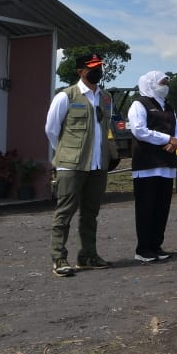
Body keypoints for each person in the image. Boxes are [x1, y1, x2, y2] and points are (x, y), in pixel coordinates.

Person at [44, 52, 115, 277]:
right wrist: (66, 153)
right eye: (92, 67)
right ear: (80, 71)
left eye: (99, 66)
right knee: (64, 212)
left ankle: (88, 255)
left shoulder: (105, 98)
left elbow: (104, 129)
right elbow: (51, 130)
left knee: (90, 213)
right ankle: (59, 257)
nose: (98, 71)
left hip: (97, 165)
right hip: (71, 165)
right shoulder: (66, 96)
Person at [128, 71, 177, 263]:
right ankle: (143, 248)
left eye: (166, 83)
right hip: (147, 163)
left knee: (162, 207)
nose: (165, 86)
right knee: (146, 207)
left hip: (166, 164)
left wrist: (176, 141)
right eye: (162, 82)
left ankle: (156, 245)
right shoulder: (139, 104)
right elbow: (139, 130)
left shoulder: (168, 106)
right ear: (151, 84)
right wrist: (167, 139)